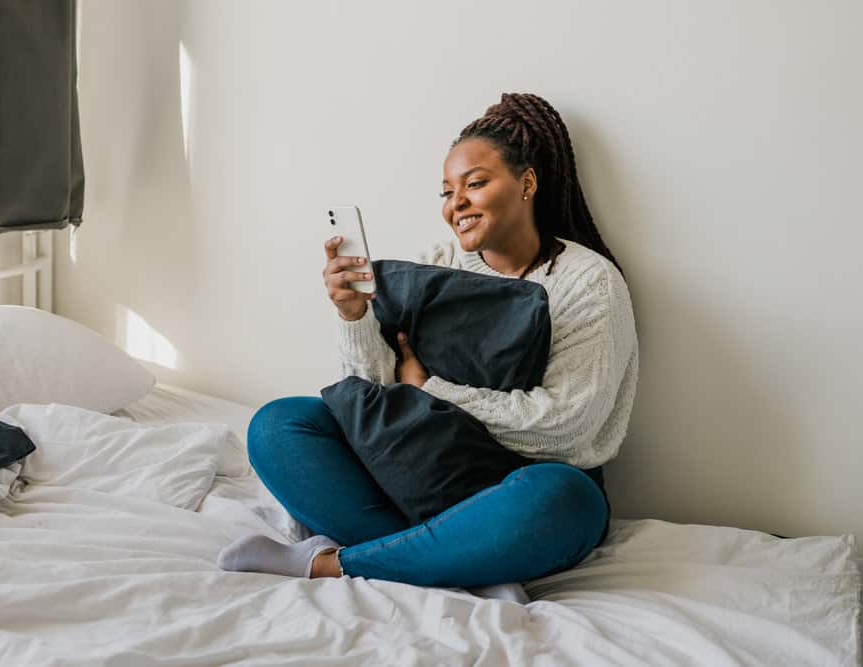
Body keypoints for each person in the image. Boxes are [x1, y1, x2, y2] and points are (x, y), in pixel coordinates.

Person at [217, 93, 639, 600]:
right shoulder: (439, 262)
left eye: (475, 184)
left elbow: (566, 432)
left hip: (518, 486)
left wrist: (429, 388)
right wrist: (355, 316)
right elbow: (372, 394)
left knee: (566, 498)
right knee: (279, 425)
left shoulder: (588, 282)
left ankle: (337, 564)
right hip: (417, 466)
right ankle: (462, 562)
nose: (454, 203)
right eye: (446, 191)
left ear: (527, 183)